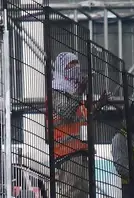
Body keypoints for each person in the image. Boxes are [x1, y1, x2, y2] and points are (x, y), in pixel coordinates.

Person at [51, 51, 107, 198]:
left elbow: (82, 120)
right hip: (66, 153)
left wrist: (98, 106)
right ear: (62, 68)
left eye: (77, 63)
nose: (75, 67)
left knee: (83, 193)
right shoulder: (57, 92)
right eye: (71, 64)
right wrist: (79, 92)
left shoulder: (73, 92)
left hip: (80, 152)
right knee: (71, 194)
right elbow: (66, 113)